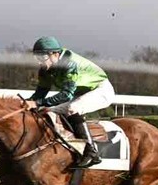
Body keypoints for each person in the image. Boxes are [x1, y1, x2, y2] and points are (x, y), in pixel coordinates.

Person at [25, 36, 115, 168]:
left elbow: (66, 95)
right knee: (47, 111)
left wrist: (37, 103)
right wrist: (26, 103)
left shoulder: (69, 64)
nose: (39, 62)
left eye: (42, 57)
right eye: (37, 57)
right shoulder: (45, 70)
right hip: (80, 93)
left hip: (101, 90)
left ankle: (91, 152)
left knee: (73, 108)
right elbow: (40, 94)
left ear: (55, 54)